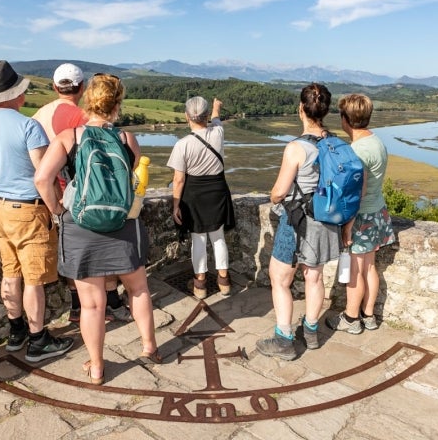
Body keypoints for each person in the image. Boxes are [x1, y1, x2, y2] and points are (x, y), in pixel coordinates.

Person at [34, 73, 160, 385]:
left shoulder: (68, 137)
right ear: (118, 103)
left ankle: (97, 366)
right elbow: (129, 180)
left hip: (81, 225)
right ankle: (150, 347)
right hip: (122, 224)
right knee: (139, 289)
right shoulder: (127, 139)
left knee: (92, 304)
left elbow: (41, 179)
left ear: (89, 100)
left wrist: (58, 210)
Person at [0, 60, 74, 363]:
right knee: (33, 279)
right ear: (16, 94)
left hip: (0, 209)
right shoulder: (28, 126)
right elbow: (44, 175)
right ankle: (38, 340)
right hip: (29, 210)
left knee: (10, 272)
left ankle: (15, 332)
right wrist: (55, 207)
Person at [33, 63, 133, 324]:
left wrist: (54, 206)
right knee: (101, 256)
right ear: (82, 88)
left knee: (74, 260)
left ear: (55, 87)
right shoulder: (80, 118)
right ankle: (110, 303)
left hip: (58, 196)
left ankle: (77, 307)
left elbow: (42, 172)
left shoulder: (41, 114)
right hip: (86, 198)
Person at [256, 83, 341, 360]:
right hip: (326, 221)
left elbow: (279, 192)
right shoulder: (337, 144)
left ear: (301, 109)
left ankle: (283, 340)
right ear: (325, 111)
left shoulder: (296, 148)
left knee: (279, 279)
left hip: (297, 222)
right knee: (314, 277)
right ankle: (312, 332)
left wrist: (273, 195)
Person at [326, 93, 396, 334]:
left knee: (356, 269)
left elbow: (359, 190)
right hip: (378, 212)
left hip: (362, 217)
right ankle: (369, 315)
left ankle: (351, 318)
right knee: (370, 268)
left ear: (345, 119)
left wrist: (348, 225)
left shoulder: (357, 150)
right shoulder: (376, 141)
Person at [167, 96, 235, 299]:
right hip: (217, 190)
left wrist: (176, 205)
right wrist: (216, 107)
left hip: (194, 194)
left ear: (187, 116)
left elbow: (178, 180)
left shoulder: (183, 144)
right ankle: (224, 281)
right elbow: (216, 119)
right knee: (218, 237)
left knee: (198, 239)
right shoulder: (218, 133)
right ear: (206, 116)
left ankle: (200, 285)